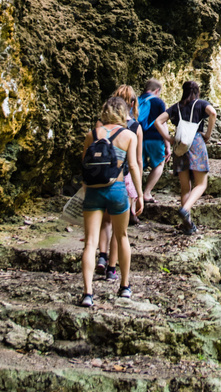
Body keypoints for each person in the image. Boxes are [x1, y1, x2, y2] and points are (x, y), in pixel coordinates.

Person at [79, 96, 143, 307]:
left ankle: (88, 293)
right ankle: (124, 286)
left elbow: (84, 166)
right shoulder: (128, 135)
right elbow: (133, 166)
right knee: (122, 236)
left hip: (94, 191)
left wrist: (85, 190)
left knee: (90, 242)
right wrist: (140, 195)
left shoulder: (91, 134)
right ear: (123, 113)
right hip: (116, 189)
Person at [152, 80, 216, 234]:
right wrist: (208, 134)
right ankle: (186, 209)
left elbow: (158, 121)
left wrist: (169, 138)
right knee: (201, 184)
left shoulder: (176, 107)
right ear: (197, 92)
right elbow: (213, 113)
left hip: (180, 146)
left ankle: (187, 225)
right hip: (196, 143)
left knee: (185, 187)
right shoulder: (200, 103)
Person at [96, 85, 144, 278]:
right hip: (123, 180)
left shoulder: (99, 126)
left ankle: (101, 256)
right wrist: (138, 189)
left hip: (100, 178)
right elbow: (137, 161)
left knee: (105, 222)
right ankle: (112, 268)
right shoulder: (135, 128)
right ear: (132, 104)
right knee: (119, 229)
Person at [138, 79, 170, 203]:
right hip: (155, 139)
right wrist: (167, 145)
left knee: (137, 165)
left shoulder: (136, 100)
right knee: (159, 164)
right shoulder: (158, 102)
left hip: (137, 139)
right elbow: (163, 123)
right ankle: (146, 193)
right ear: (157, 90)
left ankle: (134, 194)